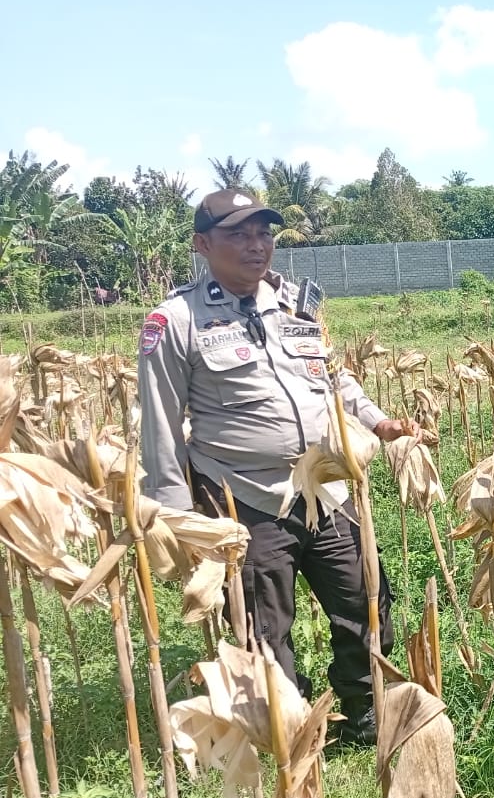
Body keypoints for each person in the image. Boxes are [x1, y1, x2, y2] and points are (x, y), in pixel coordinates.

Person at [138, 188, 417, 746]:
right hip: (244, 497)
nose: (255, 245)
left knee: (365, 597)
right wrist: (176, 520)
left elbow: (334, 379)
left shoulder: (298, 303)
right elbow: (161, 424)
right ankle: (292, 729)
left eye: (263, 232)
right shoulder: (176, 320)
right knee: (264, 625)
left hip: (325, 486)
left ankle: (364, 715)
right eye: (238, 234)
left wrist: (380, 423)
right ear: (202, 244)